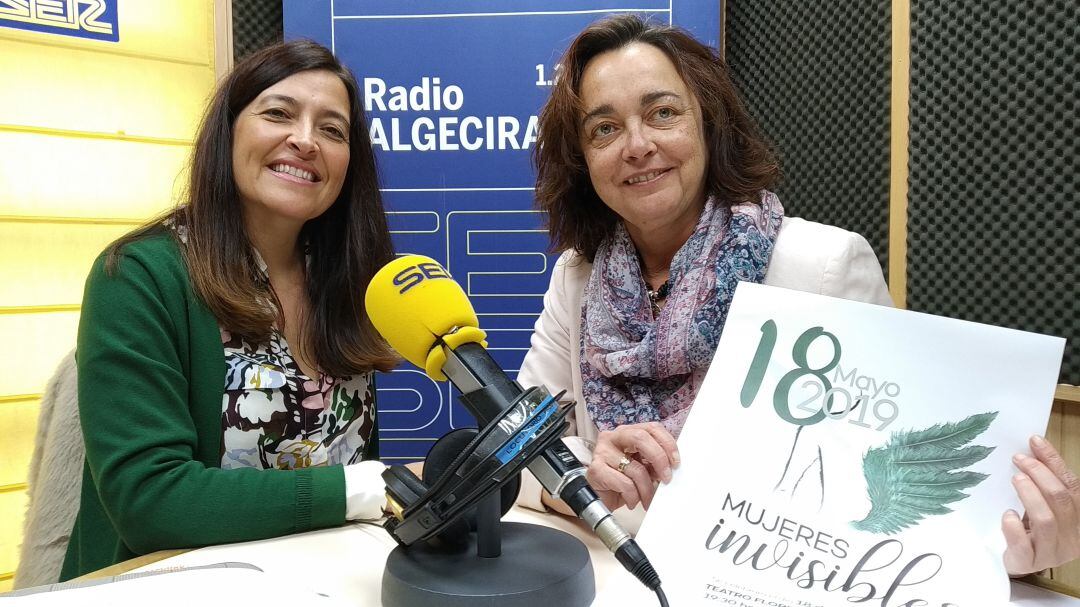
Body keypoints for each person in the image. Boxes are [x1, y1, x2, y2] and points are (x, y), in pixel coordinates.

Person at [515, 14, 1080, 577]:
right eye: (604, 129)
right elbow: (515, 462)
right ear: (583, 160)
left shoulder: (824, 267)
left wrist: (1023, 549)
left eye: (663, 113)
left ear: (709, 127)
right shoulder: (578, 279)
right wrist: (582, 485)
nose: (637, 145)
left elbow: (900, 492)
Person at [60, 40, 397, 581]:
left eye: (333, 130)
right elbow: (149, 500)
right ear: (228, 132)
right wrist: (367, 488)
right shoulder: (137, 276)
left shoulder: (347, 283)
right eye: (278, 113)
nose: (306, 140)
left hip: (326, 582)